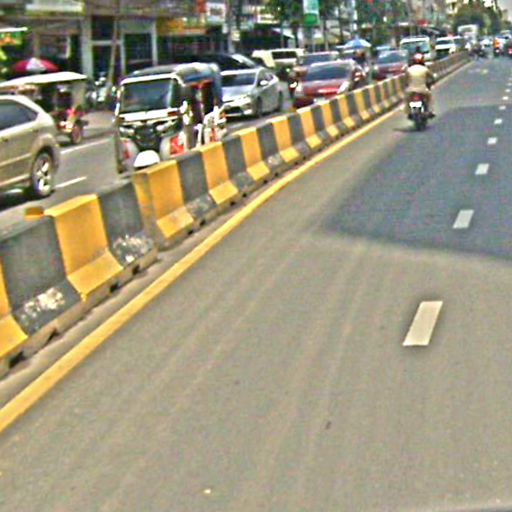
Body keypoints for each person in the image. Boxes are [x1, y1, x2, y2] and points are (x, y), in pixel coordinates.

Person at [405, 53, 435, 118]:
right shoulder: (425, 69)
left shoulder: (409, 69)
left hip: (411, 90)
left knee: (407, 100)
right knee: (430, 98)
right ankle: (430, 111)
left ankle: (408, 112)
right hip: (422, 89)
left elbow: (406, 80)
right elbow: (431, 77)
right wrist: (432, 82)